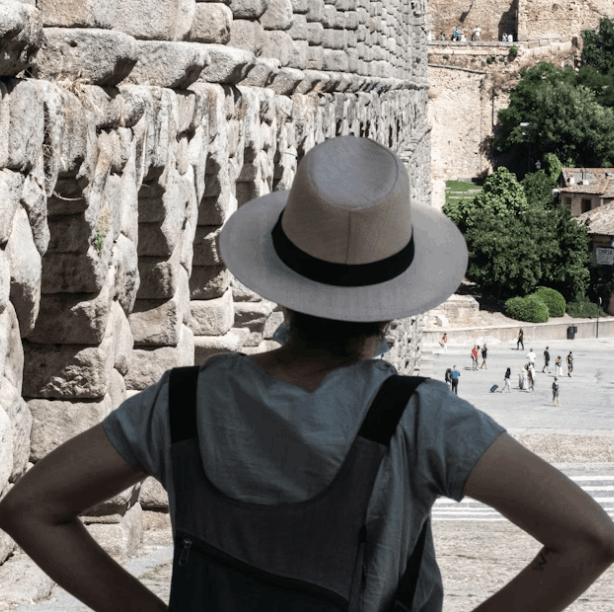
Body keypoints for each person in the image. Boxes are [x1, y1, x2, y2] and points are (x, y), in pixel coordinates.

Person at [1, 136, 613, 612]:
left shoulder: (183, 402)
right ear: (393, 307)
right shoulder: (422, 419)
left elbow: (31, 507)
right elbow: (588, 539)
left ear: (280, 288)